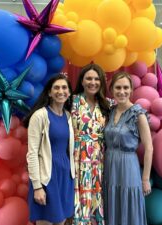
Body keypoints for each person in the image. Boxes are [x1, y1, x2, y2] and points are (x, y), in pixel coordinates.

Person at [24, 74, 75, 225]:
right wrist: (37, 186)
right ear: (49, 92)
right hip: (47, 177)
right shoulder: (40, 116)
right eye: (56, 88)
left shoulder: (68, 116)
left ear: (69, 92)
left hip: (65, 175)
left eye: (64, 87)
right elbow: (32, 153)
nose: (61, 91)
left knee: (62, 221)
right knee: (45, 222)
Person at [103, 71, 153, 225]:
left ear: (131, 90)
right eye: (118, 88)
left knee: (128, 204)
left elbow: (149, 148)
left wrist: (145, 179)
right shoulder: (110, 112)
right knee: (112, 203)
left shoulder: (138, 114)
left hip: (128, 166)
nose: (122, 92)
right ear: (112, 90)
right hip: (110, 166)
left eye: (125, 88)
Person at [71, 63, 110, 225]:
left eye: (96, 78)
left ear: (101, 82)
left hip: (99, 159)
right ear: (82, 81)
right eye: (88, 78)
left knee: (97, 196)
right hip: (76, 158)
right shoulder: (71, 101)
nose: (92, 82)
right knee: (78, 197)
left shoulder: (107, 105)